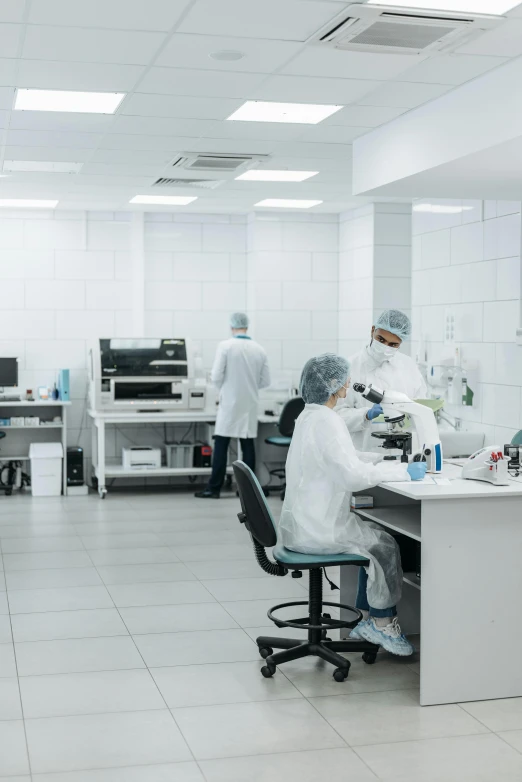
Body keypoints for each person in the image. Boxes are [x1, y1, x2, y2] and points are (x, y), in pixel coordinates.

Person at [279, 353, 427, 656]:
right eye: (345, 378)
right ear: (338, 386)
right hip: (320, 531)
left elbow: (345, 458)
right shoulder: (327, 421)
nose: (349, 382)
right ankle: (381, 624)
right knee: (385, 545)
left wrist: (381, 459)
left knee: (373, 535)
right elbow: (352, 476)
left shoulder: (310, 415)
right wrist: (402, 471)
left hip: (304, 523)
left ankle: (369, 618)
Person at [195, 312, 270, 499]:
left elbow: (216, 376)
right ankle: (248, 492)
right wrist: (249, 387)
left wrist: (226, 389)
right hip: (250, 404)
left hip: (229, 404)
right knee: (248, 447)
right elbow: (265, 381)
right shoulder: (259, 349)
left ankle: (214, 488)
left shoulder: (225, 346)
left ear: (231, 327)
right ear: (247, 326)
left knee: (221, 445)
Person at [338, 309, 427, 452]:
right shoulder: (350, 367)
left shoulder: (408, 366)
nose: (385, 347)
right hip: (362, 455)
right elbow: (337, 415)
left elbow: (421, 406)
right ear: (372, 330)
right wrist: (365, 415)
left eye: (393, 345)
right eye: (381, 340)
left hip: (402, 453)